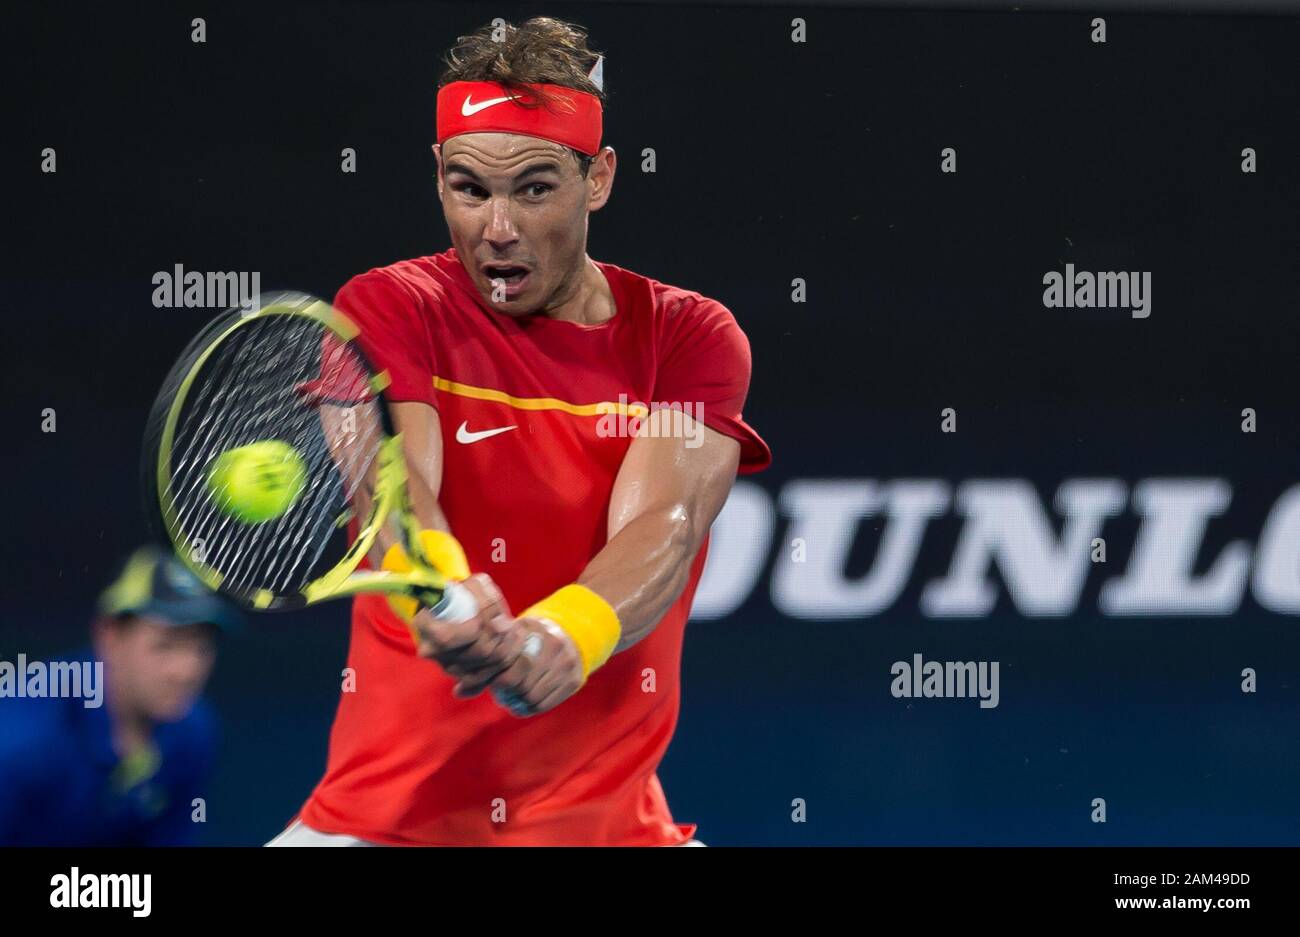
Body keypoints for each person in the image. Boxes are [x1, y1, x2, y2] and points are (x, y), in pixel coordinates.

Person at [270, 16, 770, 847]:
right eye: (469, 189)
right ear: (437, 178)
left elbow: (666, 525)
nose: (496, 227)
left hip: (609, 830)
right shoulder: (388, 308)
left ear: (599, 177)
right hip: (380, 827)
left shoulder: (689, 335)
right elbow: (391, 484)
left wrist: (565, 632)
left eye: (534, 188)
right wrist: (439, 580)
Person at [0, 546, 240, 845]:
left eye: (201, 648)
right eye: (164, 645)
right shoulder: (20, 738)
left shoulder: (194, 731)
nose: (186, 671)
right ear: (109, 637)